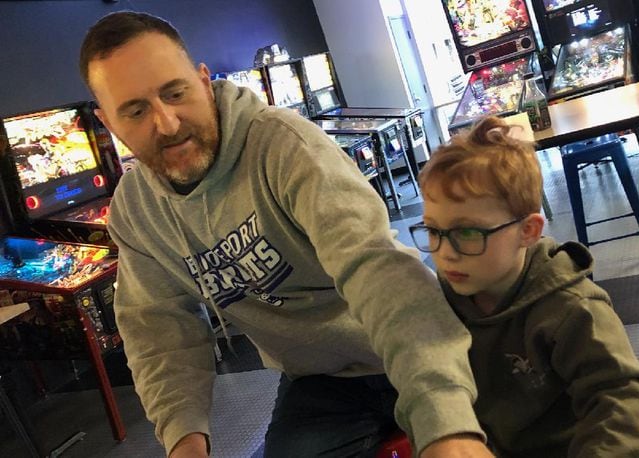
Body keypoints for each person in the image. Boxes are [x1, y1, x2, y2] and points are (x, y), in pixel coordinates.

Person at [79, 11, 493, 458]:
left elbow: (377, 271)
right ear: (108, 123)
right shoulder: (137, 213)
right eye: (136, 111)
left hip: (413, 346)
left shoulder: (283, 146)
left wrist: (446, 424)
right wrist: (184, 442)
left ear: (201, 81)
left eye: (174, 93)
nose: (167, 123)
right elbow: (158, 333)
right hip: (320, 383)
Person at [410, 116, 639, 457]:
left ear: (527, 231)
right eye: (433, 231)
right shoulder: (442, 300)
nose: (445, 253)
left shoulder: (572, 308)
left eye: (468, 233)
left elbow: (618, 398)